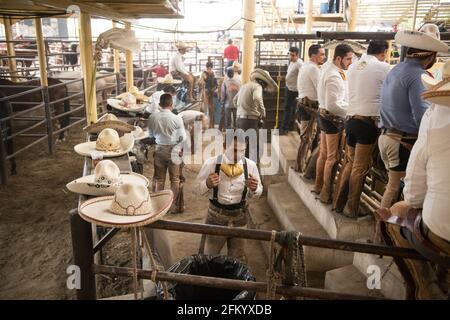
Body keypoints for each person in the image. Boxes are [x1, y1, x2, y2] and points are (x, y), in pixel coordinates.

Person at [378, 62, 450, 299]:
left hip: (442, 233)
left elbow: (414, 195)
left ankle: (423, 287)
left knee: (397, 211)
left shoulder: (434, 122)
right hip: (396, 138)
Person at [378, 24, 448, 209]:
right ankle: (382, 233)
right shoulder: (418, 76)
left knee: (391, 186)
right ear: (431, 55)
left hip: (386, 136)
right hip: (401, 140)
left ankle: (383, 229)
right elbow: (422, 116)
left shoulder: (396, 69)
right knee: (396, 189)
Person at [332, 40, 390, 217]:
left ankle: (338, 203)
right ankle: (351, 208)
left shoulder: (354, 66)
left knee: (350, 164)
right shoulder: (383, 67)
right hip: (367, 123)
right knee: (359, 168)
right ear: (383, 52)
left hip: (351, 120)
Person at [194, 134, 263, 262]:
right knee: (209, 257)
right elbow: (196, 189)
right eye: (234, 150)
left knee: (237, 259)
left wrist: (254, 189)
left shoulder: (250, 165)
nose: (238, 155)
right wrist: (207, 184)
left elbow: (259, 191)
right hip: (216, 217)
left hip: (240, 218)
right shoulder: (212, 163)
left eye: (242, 151)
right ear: (225, 146)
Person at [314, 44, 353, 204]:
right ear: (338, 58)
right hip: (332, 119)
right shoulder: (334, 76)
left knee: (324, 154)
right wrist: (350, 112)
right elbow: (333, 105)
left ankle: (318, 186)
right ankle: (325, 193)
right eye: (348, 59)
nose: (350, 62)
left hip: (323, 115)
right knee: (332, 157)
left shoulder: (329, 69)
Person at [148, 93, 186, 214]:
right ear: (171, 104)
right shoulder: (177, 118)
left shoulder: (152, 117)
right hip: (174, 150)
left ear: (160, 104)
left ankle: (159, 206)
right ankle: (171, 205)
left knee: (159, 179)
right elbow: (183, 138)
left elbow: (151, 135)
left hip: (159, 149)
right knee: (175, 179)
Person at [234, 68, 278, 161]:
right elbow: (257, 98)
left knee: (243, 148)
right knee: (257, 149)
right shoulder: (258, 87)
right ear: (262, 82)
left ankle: (244, 170)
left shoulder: (244, 86)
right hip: (250, 122)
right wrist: (262, 112)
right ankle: (254, 172)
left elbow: (235, 100)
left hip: (239, 120)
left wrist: (241, 109)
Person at [295, 44, 326, 173]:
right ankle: (300, 166)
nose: (323, 57)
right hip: (310, 105)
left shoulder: (305, 66)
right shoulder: (313, 69)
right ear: (314, 55)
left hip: (303, 104)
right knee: (307, 137)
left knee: (306, 137)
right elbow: (320, 88)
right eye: (322, 54)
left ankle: (300, 165)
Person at [279, 47, 303, 135]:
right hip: (289, 88)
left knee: (288, 109)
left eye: (293, 55)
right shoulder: (292, 62)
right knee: (288, 109)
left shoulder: (300, 64)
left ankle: (285, 129)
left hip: (295, 91)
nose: (290, 57)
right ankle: (286, 128)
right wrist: (283, 78)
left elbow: (302, 77)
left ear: (297, 55)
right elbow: (290, 75)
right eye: (290, 55)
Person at [198, 61, 218, 128]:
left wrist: (214, 88)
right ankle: (201, 125)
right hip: (205, 93)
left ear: (212, 68)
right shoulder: (203, 73)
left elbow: (215, 84)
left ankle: (211, 125)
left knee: (211, 109)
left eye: (210, 68)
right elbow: (200, 83)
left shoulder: (213, 74)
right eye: (208, 68)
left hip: (211, 93)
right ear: (206, 68)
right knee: (203, 109)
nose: (209, 69)